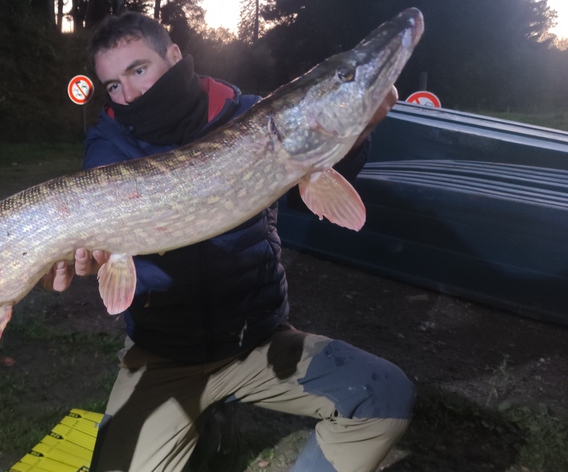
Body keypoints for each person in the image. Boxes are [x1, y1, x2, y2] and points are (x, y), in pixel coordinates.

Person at [42, 12, 413, 472]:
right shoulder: (109, 143)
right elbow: (90, 226)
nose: (129, 94)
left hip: (258, 340)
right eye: (114, 85)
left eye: (138, 69)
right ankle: (206, 424)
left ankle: (211, 420)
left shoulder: (247, 115)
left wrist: (356, 133)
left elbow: (316, 177)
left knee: (383, 398)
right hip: (164, 354)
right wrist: (72, 255)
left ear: (173, 55)